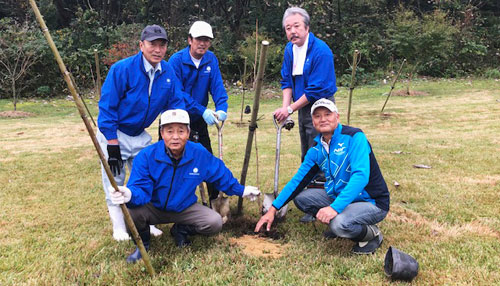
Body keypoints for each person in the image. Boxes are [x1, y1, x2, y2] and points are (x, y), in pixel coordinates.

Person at [109, 109, 260, 263]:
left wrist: (241, 190)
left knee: (214, 222)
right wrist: (130, 194)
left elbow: (219, 173)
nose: (175, 137)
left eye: (181, 131)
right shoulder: (147, 156)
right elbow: (140, 187)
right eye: (169, 131)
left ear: (188, 133)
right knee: (131, 211)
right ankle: (143, 244)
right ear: (162, 133)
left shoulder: (199, 153)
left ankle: (181, 229)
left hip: (183, 207)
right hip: (153, 207)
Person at [256, 99, 390, 254]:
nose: (323, 119)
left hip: (371, 201)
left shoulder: (355, 137)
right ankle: (342, 218)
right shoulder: (316, 149)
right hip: (341, 197)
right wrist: (273, 209)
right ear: (313, 122)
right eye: (317, 116)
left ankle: (371, 234)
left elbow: (360, 176)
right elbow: (298, 181)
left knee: (339, 224)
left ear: (337, 117)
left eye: (328, 114)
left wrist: (334, 208)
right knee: (302, 198)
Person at [97, 24, 187, 241]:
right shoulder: (121, 69)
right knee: (115, 180)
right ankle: (119, 227)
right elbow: (107, 107)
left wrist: (180, 130)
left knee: (148, 177)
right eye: (152, 44)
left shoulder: (167, 72)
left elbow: (175, 105)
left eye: (162, 45)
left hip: (140, 133)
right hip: (116, 132)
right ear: (141, 45)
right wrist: (112, 144)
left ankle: (149, 221)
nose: (157, 49)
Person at [168, 21, 228, 201]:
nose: (202, 43)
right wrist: (202, 110)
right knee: (172, 161)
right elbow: (178, 93)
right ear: (189, 40)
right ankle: (172, 199)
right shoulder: (176, 61)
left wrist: (221, 108)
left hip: (200, 120)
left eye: (206, 40)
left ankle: (214, 198)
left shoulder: (211, 59)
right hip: (176, 120)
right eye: (199, 39)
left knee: (206, 158)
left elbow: (217, 87)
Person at [273, 7, 337, 162]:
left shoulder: (321, 51)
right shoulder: (290, 49)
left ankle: (323, 182)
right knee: (306, 145)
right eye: (288, 28)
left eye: (297, 26)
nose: (292, 31)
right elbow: (287, 80)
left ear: (307, 28)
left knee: (320, 146)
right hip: (302, 105)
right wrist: (285, 108)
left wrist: (289, 109)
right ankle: (308, 181)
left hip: (322, 105)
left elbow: (315, 91)